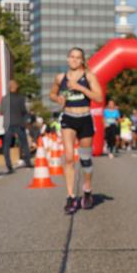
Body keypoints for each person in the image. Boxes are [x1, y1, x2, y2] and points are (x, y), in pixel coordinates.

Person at [50, 47, 104, 213]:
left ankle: (87, 190)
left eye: (77, 58)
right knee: (68, 158)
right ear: (67, 59)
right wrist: (58, 98)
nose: (74, 60)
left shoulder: (89, 76)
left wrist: (80, 88)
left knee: (85, 159)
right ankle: (71, 196)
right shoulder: (60, 77)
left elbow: (99, 98)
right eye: (71, 57)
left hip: (85, 118)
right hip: (68, 118)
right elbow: (52, 94)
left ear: (82, 61)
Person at [0, 79, 33, 173]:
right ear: (16, 87)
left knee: (7, 145)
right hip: (19, 123)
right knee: (24, 143)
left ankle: (9, 166)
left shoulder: (4, 98)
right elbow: (24, 111)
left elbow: (1, 111)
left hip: (8, 123)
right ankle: (28, 163)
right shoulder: (20, 98)